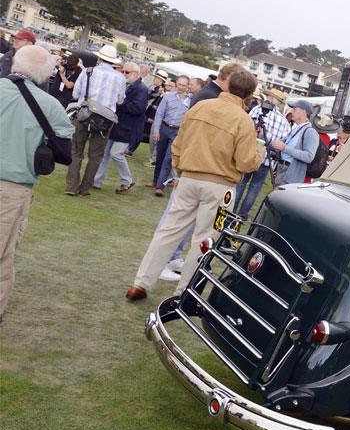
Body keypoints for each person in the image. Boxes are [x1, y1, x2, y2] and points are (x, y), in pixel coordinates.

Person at [126, 70, 266, 301]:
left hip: (189, 179)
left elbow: (178, 144)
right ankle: (185, 291)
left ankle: (141, 283)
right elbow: (244, 162)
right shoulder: (243, 120)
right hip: (222, 189)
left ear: (228, 85)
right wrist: (258, 158)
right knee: (206, 238)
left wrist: (182, 170)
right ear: (250, 94)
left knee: (169, 231)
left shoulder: (200, 108)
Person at [0, 45, 75, 319]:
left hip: (12, 185)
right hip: (13, 187)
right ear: (46, 75)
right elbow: (65, 150)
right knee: (3, 252)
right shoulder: (51, 105)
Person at [64, 44, 126, 196]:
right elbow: (120, 100)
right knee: (95, 156)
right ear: (113, 61)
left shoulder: (87, 71)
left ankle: (72, 186)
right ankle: (84, 189)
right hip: (105, 118)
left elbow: (76, 94)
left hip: (85, 112)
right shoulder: (120, 78)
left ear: (99, 58)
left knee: (77, 150)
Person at [92, 62, 149, 192]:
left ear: (135, 73)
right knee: (105, 153)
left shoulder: (141, 89)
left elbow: (138, 108)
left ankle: (127, 179)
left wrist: (120, 103)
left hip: (127, 128)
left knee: (115, 154)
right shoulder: (128, 86)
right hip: (117, 125)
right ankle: (97, 181)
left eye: (126, 72)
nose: (123, 74)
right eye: (122, 71)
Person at [235, 91, 290, 219]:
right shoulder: (283, 121)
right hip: (266, 159)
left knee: (243, 184)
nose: (269, 99)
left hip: (252, 155)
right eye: (270, 97)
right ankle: (242, 214)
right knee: (254, 188)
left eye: (271, 97)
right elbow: (283, 141)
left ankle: (234, 210)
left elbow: (246, 128)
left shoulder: (257, 110)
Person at [150, 75, 190, 196]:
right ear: (176, 83)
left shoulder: (191, 100)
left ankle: (160, 186)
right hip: (164, 128)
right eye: (179, 84)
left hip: (177, 131)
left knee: (168, 158)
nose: (181, 87)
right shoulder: (168, 96)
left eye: (184, 85)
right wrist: (156, 130)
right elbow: (159, 114)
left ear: (187, 86)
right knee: (160, 156)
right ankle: (155, 180)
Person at [270, 98, 320, 185]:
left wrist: (284, 148)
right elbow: (281, 145)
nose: (291, 112)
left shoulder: (310, 132)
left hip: (290, 175)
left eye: (294, 109)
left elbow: (309, 157)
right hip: (283, 170)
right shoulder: (297, 128)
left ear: (304, 112)